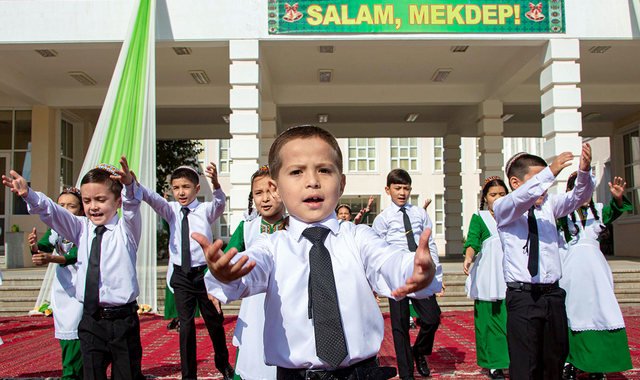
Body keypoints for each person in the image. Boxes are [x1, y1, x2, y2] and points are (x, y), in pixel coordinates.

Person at [200, 125, 440, 379]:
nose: (312, 181)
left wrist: (417, 269)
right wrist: (227, 274)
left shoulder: (358, 238)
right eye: (296, 172)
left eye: (324, 170)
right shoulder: (271, 246)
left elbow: (388, 261)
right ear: (276, 187)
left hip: (361, 372)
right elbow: (251, 267)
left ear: (342, 182)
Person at [3, 157, 145, 380]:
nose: (93, 207)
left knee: (126, 374)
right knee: (90, 374)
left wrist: (128, 186)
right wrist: (28, 194)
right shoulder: (81, 228)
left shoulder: (127, 230)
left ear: (118, 202)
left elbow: (133, 206)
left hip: (122, 321)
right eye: (87, 201)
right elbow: (53, 212)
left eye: (100, 199)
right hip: (90, 319)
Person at [493, 145, 594, 380]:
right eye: (538, 179)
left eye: (545, 180)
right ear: (516, 183)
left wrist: (585, 173)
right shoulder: (504, 208)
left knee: (554, 360)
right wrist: (551, 170)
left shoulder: (549, 206)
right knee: (526, 365)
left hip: (552, 295)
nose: (546, 186)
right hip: (524, 297)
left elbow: (580, 197)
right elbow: (520, 199)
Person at [137, 163, 233, 380]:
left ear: (197, 189)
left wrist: (216, 183)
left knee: (214, 321)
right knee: (186, 326)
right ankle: (188, 375)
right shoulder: (171, 210)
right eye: (176, 187)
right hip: (182, 276)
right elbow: (153, 198)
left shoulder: (205, 210)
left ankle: (223, 362)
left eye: (186, 187)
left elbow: (220, 202)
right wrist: (134, 184)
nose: (181, 192)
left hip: (205, 275)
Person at [559, 174, 632, 380]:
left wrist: (617, 199)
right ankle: (571, 362)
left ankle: (597, 364)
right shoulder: (561, 213)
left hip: (595, 272)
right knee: (572, 314)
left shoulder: (598, 211)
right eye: (580, 189)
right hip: (570, 271)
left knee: (598, 313)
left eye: (588, 188)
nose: (585, 193)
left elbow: (614, 211)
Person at [372, 168, 442, 380]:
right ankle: (406, 374)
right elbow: (376, 251)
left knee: (432, 318)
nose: (402, 192)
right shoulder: (382, 219)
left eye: (406, 188)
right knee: (400, 326)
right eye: (398, 188)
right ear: (388, 189)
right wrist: (377, 282)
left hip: (419, 273)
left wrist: (436, 273)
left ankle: (419, 351)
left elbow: (430, 243)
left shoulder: (420, 214)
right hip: (396, 276)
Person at [225, 165, 286, 380]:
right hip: (254, 308)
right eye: (259, 193)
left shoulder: (295, 226)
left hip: (286, 306)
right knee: (252, 357)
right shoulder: (247, 228)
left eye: (272, 191)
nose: (266, 198)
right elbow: (227, 258)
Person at [27, 187, 85, 380]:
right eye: (61, 205)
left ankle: (73, 374)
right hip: (63, 288)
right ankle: (71, 372)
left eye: (72, 206)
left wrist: (50, 258)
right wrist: (34, 246)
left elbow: (75, 255)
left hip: (82, 285)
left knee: (78, 331)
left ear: (81, 209)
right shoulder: (56, 229)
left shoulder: (84, 226)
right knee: (66, 332)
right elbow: (42, 249)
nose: (66, 209)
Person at [462, 177, 510, 379]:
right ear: (485, 198)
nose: (498, 198)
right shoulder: (479, 217)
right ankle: (493, 364)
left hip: (511, 275)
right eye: (493, 195)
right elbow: (473, 240)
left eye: (502, 194)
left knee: (511, 322)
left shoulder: (515, 214)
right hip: (488, 277)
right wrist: (468, 257)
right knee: (488, 323)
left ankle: (513, 359)